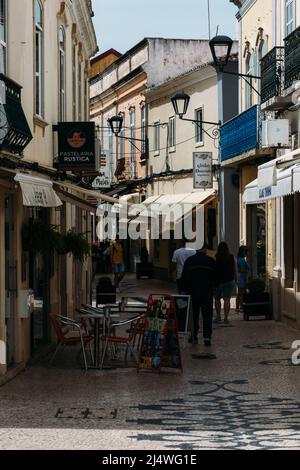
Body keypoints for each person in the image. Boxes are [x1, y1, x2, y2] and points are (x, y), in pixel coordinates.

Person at [181, 242, 216, 346]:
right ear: (205, 249)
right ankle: (207, 337)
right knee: (207, 315)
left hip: (193, 292)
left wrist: (184, 289)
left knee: (194, 315)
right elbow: (215, 277)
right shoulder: (210, 261)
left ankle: (194, 336)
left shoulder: (190, 261)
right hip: (207, 293)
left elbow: (184, 277)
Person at [214, 242, 236, 324]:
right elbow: (235, 269)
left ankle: (218, 316)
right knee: (227, 300)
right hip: (229, 281)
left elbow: (214, 269)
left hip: (218, 282)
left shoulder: (216, 257)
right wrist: (234, 279)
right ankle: (226, 318)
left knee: (217, 299)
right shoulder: (231, 257)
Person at [236, 245, 250, 312]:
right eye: (247, 251)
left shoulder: (238, 259)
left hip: (239, 278)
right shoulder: (242, 260)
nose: (248, 253)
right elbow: (243, 271)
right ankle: (241, 307)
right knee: (242, 293)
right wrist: (246, 280)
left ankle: (237, 307)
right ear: (244, 252)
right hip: (242, 278)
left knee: (239, 293)